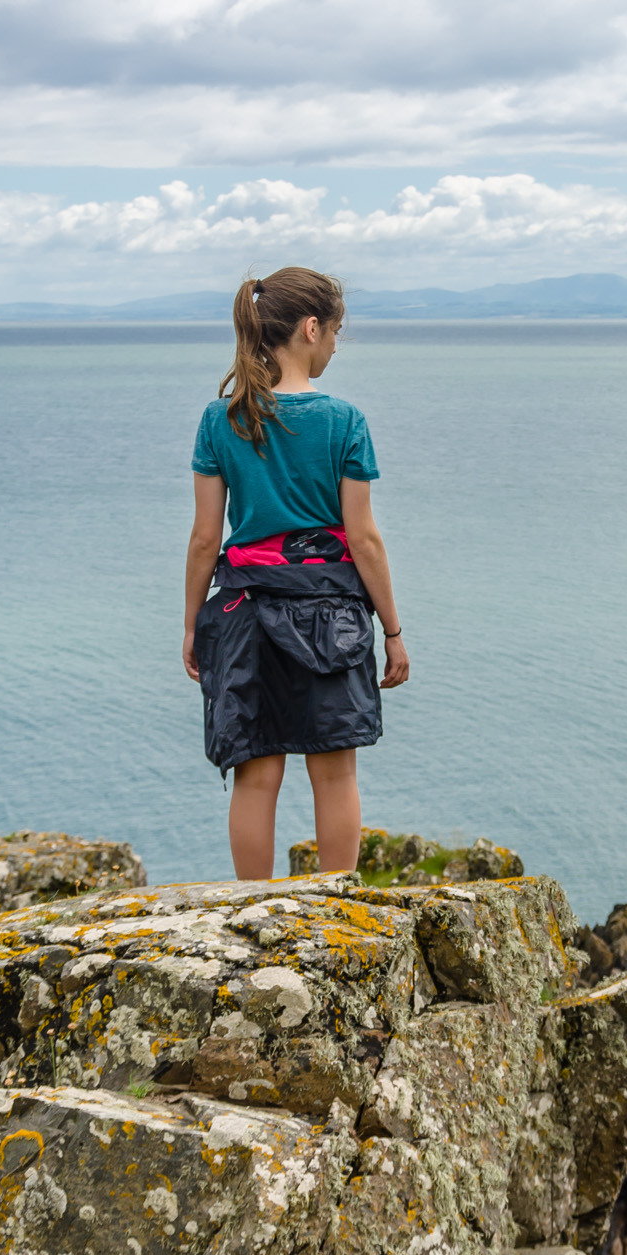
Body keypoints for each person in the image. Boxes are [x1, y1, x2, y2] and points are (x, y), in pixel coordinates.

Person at [183, 267, 408, 879]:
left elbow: (207, 539)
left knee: (256, 774)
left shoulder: (219, 420)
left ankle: (254, 910)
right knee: (334, 772)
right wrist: (392, 629)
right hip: (331, 617)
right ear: (311, 328)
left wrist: (190, 626)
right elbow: (362, 538)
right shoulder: (343, 421)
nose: (335, 344)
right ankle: (335, 902)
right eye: (335, 332)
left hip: (244, 613)